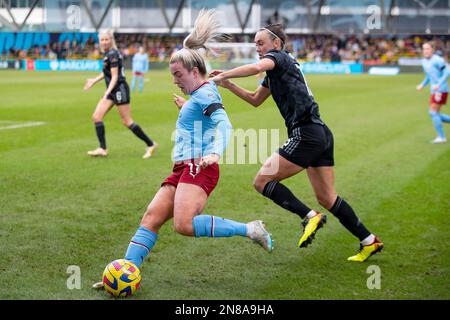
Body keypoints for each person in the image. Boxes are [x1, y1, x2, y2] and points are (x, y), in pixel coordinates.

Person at [93, 10, 272, 290]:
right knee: (151, 218)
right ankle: (123, 274)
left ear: (194, 71)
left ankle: (251, 229)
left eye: (178, 74)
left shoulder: (207, 92)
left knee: (184, 224)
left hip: (200, 167)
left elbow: (224, 124)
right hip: (182, 168)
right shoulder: (197, 96)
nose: (175, 79)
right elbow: (200, 119)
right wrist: (185, 108)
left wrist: (214, 153)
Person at [210, 23, 383, 262]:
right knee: (327, 197)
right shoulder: (278, 70)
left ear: (276, 44)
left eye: (261, 43)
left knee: (262, 181)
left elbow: (257, 67)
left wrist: (224, 73)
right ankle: (369, 241)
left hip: (306, 134)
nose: (258, 48)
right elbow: (254, 99)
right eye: (256, 44)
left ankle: (309, 216)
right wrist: (227, 84)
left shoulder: (277, 58)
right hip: (320, 132)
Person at [84, 31, 158, 159]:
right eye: (102, 40)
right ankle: (102, 149)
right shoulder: (107, 53)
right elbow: (106, 73)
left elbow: (115, 76)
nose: (104, 42)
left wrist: (107, 92)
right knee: (97, 117)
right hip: (113, 90)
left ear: (111, 40)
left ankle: (151, 144)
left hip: (119, 90)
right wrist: (94, 80)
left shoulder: (113, 54)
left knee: (127, 121)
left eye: (107, 39)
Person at [416, 42, 449, 144]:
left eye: (428, 49)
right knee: (436, 114)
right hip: (433, 90)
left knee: (433, 112)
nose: (425, 51)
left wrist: (439, 84)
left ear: (432, 50)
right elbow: (429, 76)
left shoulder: (437, 60)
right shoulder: (424, 62)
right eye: (424, 49)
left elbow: (447, 72)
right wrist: (422, 85)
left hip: (441, 90)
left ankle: (442, 137)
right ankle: (441, 137)